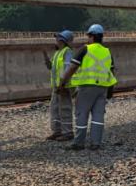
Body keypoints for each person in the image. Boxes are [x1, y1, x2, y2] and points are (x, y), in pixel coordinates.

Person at [57, 23, 117, 151]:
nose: (87, 38)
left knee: (82, 114)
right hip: (102, 88)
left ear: (92, 36)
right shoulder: (107, 52)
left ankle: (79, 143)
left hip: (86, 87)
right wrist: (110, 91)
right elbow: (111, 73)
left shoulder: (85, 49)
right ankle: (96, 143)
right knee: (98, 116)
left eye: (88, 36)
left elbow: (72, 68)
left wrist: (62, 83)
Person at [44, 30, 75, 141]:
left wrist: (62, 84)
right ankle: (57, 131)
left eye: (57, 39)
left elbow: (68, 69)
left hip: (63, 86)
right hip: (57, 87)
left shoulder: (67, 52)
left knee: (65, 109)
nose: (56, 41)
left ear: (63, 40)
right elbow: (52, 67)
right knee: (55, 109)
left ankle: (68, 132)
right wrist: (47, 61)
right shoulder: (58, 53)